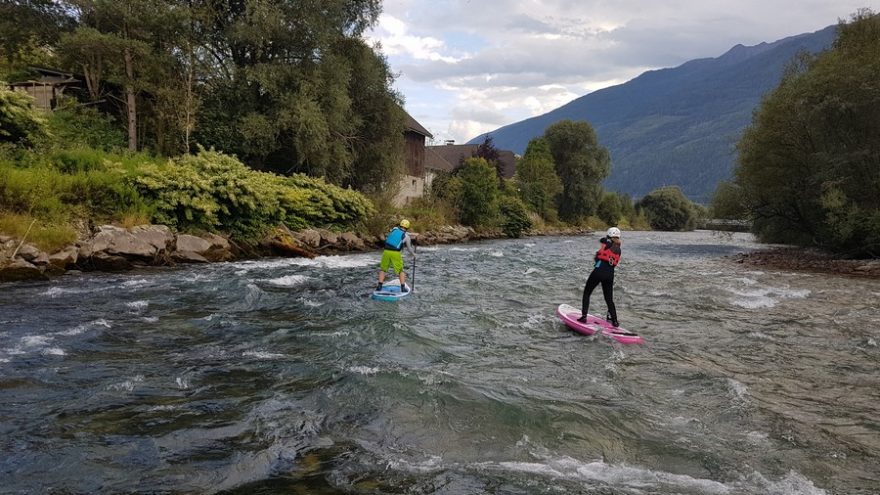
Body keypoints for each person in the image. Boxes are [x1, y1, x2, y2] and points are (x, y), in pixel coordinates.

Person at [578, 227, 622, 326]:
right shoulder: (618, 248)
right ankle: (615, 321)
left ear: (609, 235)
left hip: (599, 272)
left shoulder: (607, 242)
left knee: (587, 292)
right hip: (610, 275)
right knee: (609, 299)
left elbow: (603, 240)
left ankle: (584, 317)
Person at [377, 219, 415, 292]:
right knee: (401, 270)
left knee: (383, 269)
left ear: (400, 225)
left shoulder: (394, 229)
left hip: (386, 251)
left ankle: (379, 286)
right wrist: (414, 254)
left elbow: (401, 231)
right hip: (395, 253)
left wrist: (413, 234)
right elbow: (409, 248)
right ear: (407, 227)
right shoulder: (406, 237)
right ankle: (403, 288)